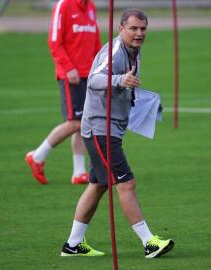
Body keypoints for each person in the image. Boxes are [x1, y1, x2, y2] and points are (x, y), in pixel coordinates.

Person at [59, 9, 175, 258]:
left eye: (143, 28)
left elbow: (123, 85)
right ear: (121, 28)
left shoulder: (134, 51)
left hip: (109, 128)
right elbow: (94, 80)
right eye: (133, 28)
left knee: (99, 184)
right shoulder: (114, 52)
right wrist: (121, 80)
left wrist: (143, 101)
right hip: (100, 129)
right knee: (126, 184)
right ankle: (149, 242)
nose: (139, 33)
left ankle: (73, 244)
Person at [25, 0, 101, 185]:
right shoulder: (64, 5)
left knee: (85, 122)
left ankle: (79, 172)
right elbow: (54, 41)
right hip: (71, 75)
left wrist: (100, 65)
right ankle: (37, 157)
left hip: (88, 74)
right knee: (75, 123)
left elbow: (96, 41)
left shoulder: (90, 7)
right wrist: (68, 68)